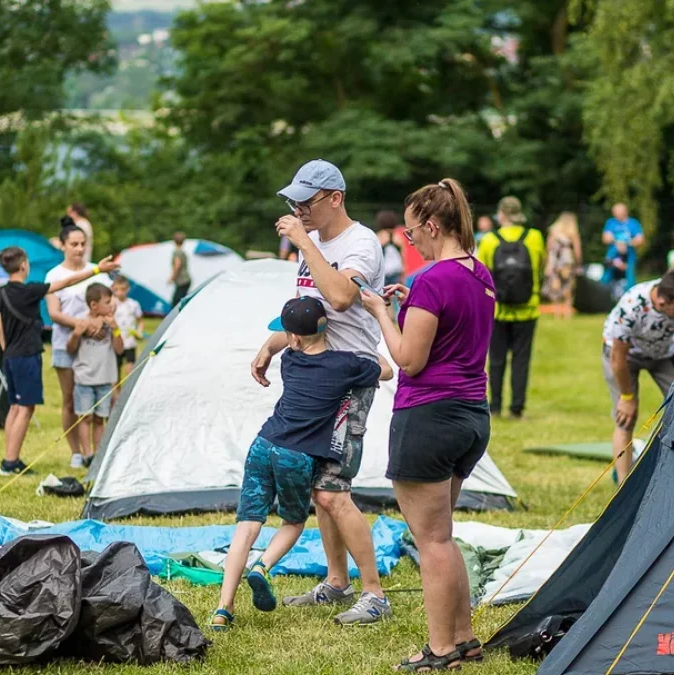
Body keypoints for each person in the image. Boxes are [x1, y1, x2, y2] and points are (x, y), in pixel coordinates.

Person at [360, 178, 492, 671]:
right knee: (443, 535)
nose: (409, 239)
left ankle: (440, 650)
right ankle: (465, 638)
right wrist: (407, 307)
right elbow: (450, 336)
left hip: (429, 417)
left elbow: (409, 359)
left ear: (433, 226)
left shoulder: (431, 280)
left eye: (412, 231)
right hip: (471, 416)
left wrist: (381, 312)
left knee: (430, 541)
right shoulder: (480, 273)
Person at [258, 158, 391, 625]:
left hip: (348, 382)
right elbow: (311, 314)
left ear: (335, 198)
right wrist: (272, 344)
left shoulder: (361, 243)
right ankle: (337, 582)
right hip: (314, 379)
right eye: (293, 203)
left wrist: (303, 242)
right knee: (320, 489)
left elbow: (339, 297)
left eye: (306, 202)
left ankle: (374, 594)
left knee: (334, 490)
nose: (298, 210)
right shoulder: (311, 243)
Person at [209, 297, 389, 632]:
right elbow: (388, 371)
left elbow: (292, 344)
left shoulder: (289, 360)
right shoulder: (345, 365)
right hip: (296, 456)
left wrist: (271, 347)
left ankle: (223, 608)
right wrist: (364, 352)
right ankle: (263, 566)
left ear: (293, 338)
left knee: (247, 526)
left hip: (263, 445)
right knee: (292, 522)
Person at [0, 246, 117, 476]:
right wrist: (97, 270)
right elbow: (66, 282)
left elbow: (0, 325)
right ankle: (10, 462)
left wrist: (5, 350)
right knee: (25, 408)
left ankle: (9, 457)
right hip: (26, 355)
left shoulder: (2, 293)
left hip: (10, 355)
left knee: (15, 407)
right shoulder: (29, 290)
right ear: (24, 265)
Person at [603, 269, 674, 482]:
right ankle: (623, 484)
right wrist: (627, 397)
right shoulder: (631, 307)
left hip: (663, 353)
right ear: (661, 303)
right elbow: (617, 358)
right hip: (625, 356)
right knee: (626, 418)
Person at [45, 225, 109, 467]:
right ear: (63, 245)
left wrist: (99, 323)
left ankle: (96, 451)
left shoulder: (98, 273)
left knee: (97, 400)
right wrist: (82, 325)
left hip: (95, 348)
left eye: (82, 244)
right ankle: (76, 452)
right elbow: (54, 313)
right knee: (71, 400)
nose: (79, 249)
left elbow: (110, 305)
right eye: (74, 244)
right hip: (66, 344)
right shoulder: (54, 275)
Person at [476, 196, 544, 420]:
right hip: (528, 309)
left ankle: (495, 407)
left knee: (496, 360)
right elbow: (540, 266)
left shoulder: (489, 240)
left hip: (498, 310)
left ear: (501, 214)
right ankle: (517, 408)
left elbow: (483, 274)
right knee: (521, 360)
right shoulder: (534, 237)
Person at [66, 283, 123, 468]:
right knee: (85, 418)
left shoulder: (111, 324)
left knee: (100, 419)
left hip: (105, 380)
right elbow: (70, 349)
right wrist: (76, 334)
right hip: (85, 379)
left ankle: (98, 454)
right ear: (93, 305)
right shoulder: (82, 323)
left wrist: (115, 329)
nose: (111, 305)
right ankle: (86, 453)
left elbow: (119, 349)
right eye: (107, 302)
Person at [542, 212, 582, 319]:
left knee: (555, 286)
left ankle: (557, 313)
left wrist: (547, 262)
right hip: (567, 261)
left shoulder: (553, 231)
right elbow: (577, 250)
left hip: (554, 261)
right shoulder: (572, 232)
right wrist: (578, 263)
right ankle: (567, 312)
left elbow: (548, 248)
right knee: (568, 286)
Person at [602, 202, 644, 298]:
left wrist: (627, 243)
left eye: (617, 211)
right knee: (607, 275)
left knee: (630, 276)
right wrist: (618, 243)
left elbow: (640, 239)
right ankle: (602, 294)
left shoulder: (633, 223)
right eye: (614, 212)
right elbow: (605, 238)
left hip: (628, 255)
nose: (615, 214)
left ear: (625, 211)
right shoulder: (611, 222)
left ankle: (631, 297)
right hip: (613, 255)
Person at [112, 275, 145, 386]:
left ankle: (130, 391)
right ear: (113, 289)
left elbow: (140, 321)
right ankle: (116, 393)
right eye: (117, 289)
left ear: (128, 289)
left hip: (130, 342)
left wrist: (139, 331)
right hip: (116, 343)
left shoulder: (133, 304)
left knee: (130, 370)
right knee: (115, 374)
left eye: (123, 289)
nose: (120, 292)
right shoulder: (111, 304)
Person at [377, 211, 405, 286]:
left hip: (383, 271)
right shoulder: (398, 237)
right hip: (396, 270)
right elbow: (403, 255)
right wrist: (403, 272)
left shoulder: (379, 236)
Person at [168, 231, 192, 307]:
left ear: (174, 241)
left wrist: (172, 278)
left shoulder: (177, 252)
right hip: (186, 279)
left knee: (175, 302)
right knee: (182, 300)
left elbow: (177, 265)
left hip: (182, 281)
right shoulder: (182, 252)